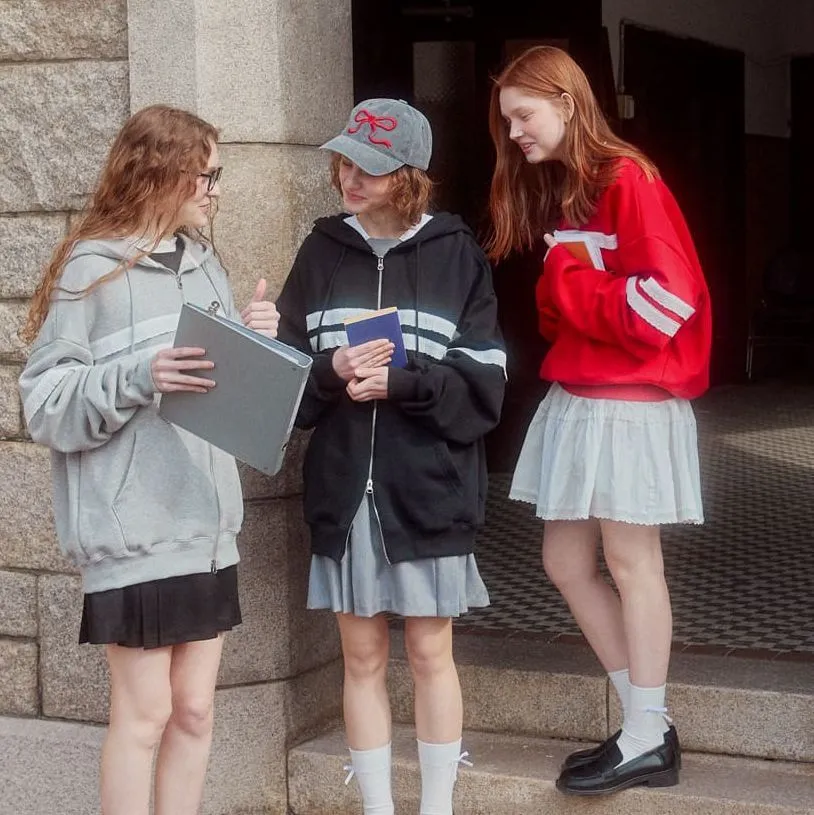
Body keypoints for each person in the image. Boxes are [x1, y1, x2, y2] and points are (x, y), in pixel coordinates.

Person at [18, 105, 279, 815]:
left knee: (195, 711)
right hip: (133, 534)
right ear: (160, 172)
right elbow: (44, 404)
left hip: (206, 528)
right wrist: (141, 374)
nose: (216, 189)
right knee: (145, 715)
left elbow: (217, 386)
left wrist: (256, 342)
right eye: (207, 174)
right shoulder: (89, 270)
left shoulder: (205, 264)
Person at [487, 46, 711, 795]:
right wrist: (572, 288)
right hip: (589, 394)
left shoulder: (627, 179)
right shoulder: (573, 188)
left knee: (630, 560)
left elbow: (668, 301)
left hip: (629, 400)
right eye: (508, 118)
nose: (515, 131)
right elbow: (563, 316)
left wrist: (572, 280)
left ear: (569, 102)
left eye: (525, 114)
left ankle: (647, 731)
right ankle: (647, 725)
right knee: (565, 560)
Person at [276, 98, 506, 815]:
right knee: (362, 657)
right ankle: (379, 807)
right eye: (345, 161)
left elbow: (486, 390)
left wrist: (403, 383)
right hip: (344, 495)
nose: (351, 177)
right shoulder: (319, 252)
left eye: (370, 167)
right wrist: (329, 370)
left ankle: (435, 806)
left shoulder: (457, 255)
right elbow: (286, 390)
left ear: (409, 175)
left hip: (429, 492)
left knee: (431, 654)